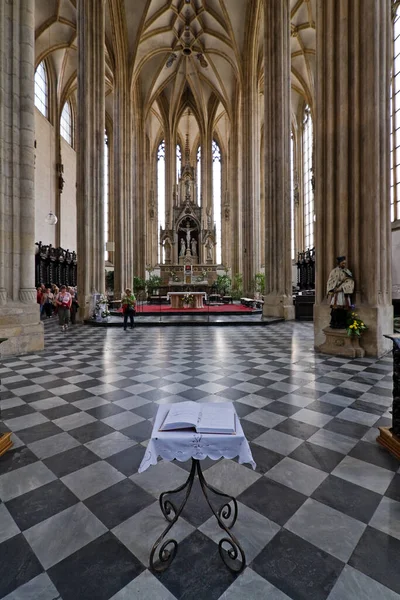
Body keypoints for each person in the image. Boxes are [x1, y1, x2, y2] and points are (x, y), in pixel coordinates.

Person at [327, 255, 354, 328]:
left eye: (345, 263)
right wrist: (334, 288)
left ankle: (343, 323)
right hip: (337, 294)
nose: (344, 264)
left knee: (344, 309)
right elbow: (330, 281)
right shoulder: (334, 271)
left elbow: (350, 281)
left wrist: (343, 288)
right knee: (335, 309)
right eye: (343, 263)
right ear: (339, 263)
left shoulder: (347, 271)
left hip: (344, 292)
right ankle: (335, 323)